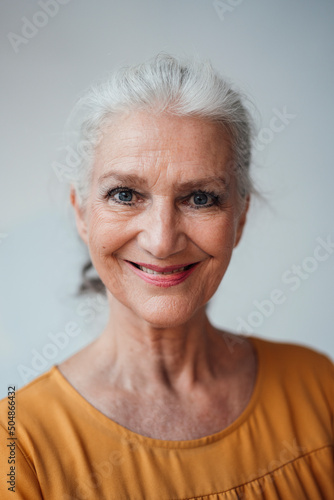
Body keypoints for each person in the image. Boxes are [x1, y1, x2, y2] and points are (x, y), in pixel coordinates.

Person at [0, 54, 333, 500]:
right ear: (81, 212)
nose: (161, 241)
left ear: (241, 216)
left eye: (200, 198)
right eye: (125, 194)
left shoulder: (317, 386)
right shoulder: (18, 446)